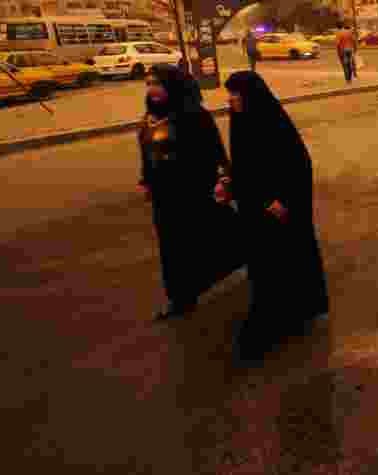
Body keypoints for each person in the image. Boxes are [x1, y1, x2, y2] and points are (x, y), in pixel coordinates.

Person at [219, 71, 329, 360]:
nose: (230, 100)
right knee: (264, 268)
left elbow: (298, 165)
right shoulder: (240, 123)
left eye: (235, 94)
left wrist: (283, 200)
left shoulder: (274, 122)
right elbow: (244, 167)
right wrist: (229, 184)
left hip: (278, 211)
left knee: (280, 264)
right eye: (229, 94)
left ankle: (274, 323)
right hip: (254, 209)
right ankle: (276, 317)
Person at [138, 64, 231, 321]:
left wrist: (223, 180)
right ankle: (181, 298)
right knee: (171, 247)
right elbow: (147, 152)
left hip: (192, 192)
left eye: (157, 83)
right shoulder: (150, 116)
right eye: (148, 84)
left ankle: (250, 257)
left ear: (173, 86)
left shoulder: (194, 115)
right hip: (163, 196)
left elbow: (215, 152)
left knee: (208, 239)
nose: (152, 89)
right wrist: (146, 179)